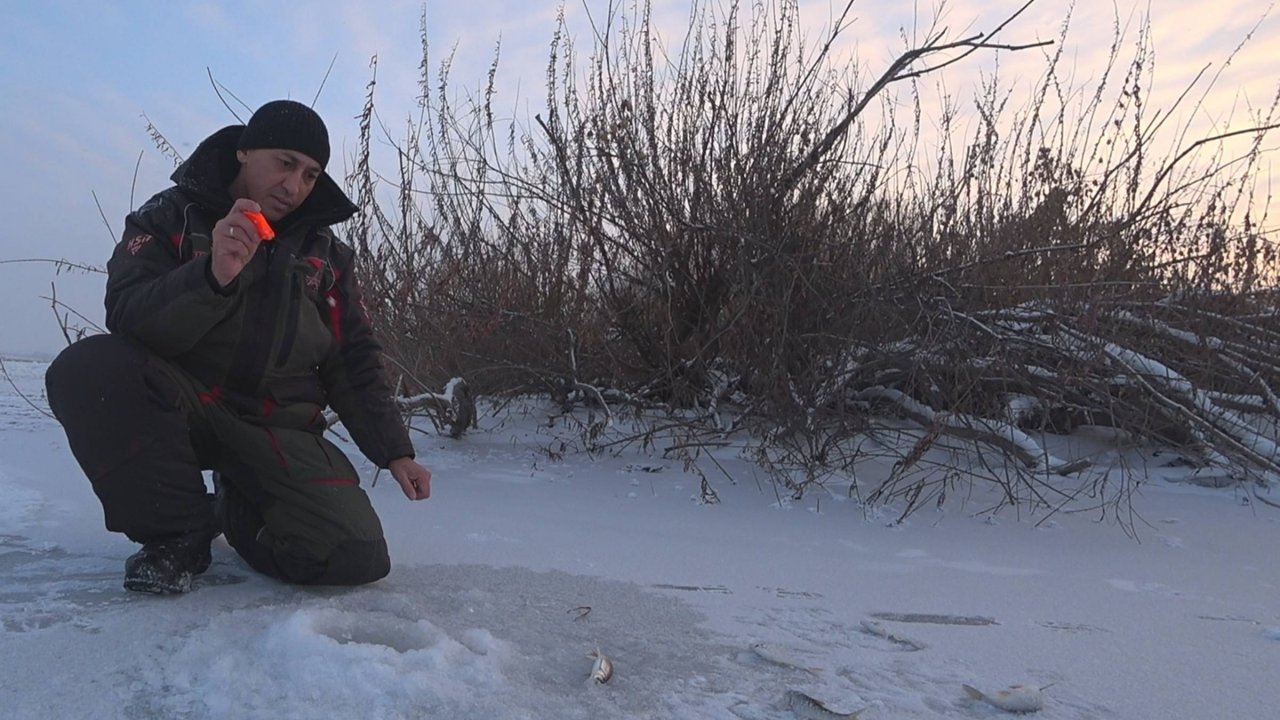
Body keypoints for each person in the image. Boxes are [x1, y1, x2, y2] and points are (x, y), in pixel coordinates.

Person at [45, 100, 432, 594]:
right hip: (186, 408)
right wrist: (210, 277)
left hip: (277, 426)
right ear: (245, 152)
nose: (294, 187)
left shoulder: (327, 255)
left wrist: (394, 451)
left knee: (353, 557)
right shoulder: (167, 218)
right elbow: (128, 317)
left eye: (311, 174)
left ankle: (237, 506)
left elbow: (352, 358)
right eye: (284, 163)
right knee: (89, 368)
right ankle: (177, 537)